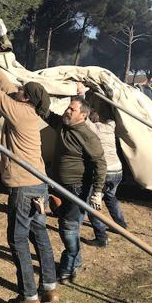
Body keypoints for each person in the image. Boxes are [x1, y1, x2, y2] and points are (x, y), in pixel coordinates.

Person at [0, 56, 58, 303]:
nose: (16, 92)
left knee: (17, 239)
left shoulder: (17, 112)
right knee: (39, 232)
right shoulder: (28, 110)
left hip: (23, 186)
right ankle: (49, 286)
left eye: (21, 92)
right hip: (39, 183)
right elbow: (6, 85)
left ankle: (29, 296)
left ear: (26, 98)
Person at [41, 96, 106, 283]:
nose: (67, 111)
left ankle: (67, 268)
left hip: (77, 189)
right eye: (68, 108)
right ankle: (75, 261)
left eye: (72, 109)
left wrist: (98, 191)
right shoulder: (62, 124)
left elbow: (100, 163)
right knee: (66, 226)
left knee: (68, 229)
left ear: (83, 115)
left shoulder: (87, 135)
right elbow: (45, 111)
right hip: (59, 186)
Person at [84, 110, 128, 247]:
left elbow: (82, 119)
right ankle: (120, 225)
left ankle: (101, 237)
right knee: (110, 197)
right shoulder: (110, 127)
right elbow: (112, 117)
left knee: (92, 204)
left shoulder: (92, 129)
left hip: (105, 172)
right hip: (118, 170)